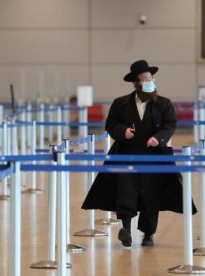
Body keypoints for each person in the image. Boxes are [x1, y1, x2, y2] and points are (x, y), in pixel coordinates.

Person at [81, 59, 196, 248]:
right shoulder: (121, 103)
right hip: (127, 155)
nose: (149, 81)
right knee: (126, 192)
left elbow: (170, 124)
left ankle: (148, 234)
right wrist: (121, 132)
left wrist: (158, 138)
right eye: (144, 78)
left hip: (154, 157)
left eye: (151, 78)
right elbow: (110, 124)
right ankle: (126, 230)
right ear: (136, 83)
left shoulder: (163, 104)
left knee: (151, 196)